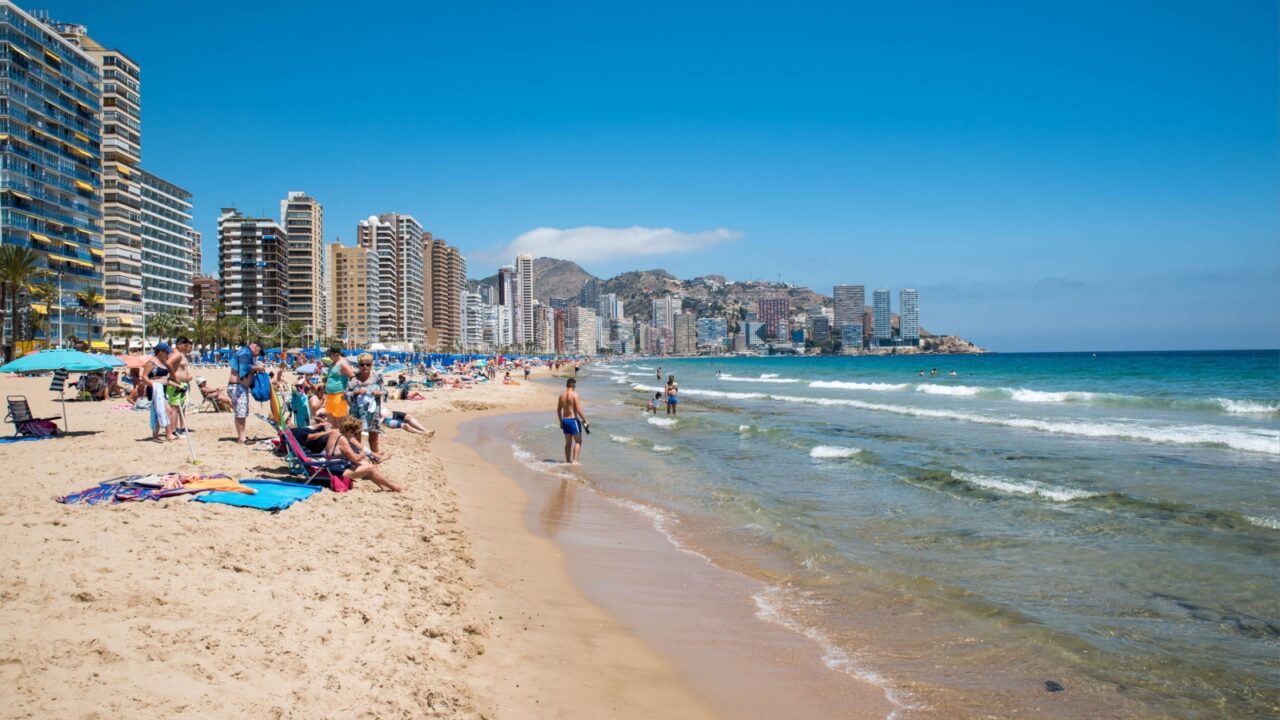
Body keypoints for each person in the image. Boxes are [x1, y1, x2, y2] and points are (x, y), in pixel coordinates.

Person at [331, 416, 403, 492]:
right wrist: (362, 455)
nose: (355, 435)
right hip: (336, 472)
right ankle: (394, 487)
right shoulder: (343, 440)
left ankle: (384, 486)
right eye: (355, 433)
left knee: (365, 464)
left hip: (332, 467)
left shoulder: (336, 433)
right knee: (370, 468)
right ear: (349, 431)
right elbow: (355, 458)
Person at [347, 353, 386, 454]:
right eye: (362, 364)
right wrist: (356, 392)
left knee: (373, 440)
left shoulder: (377, 377)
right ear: (358, 365)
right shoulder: (354, 378)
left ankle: (375, 463)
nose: (365, 366)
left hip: (373, 414)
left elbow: (385, 392)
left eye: (368, 364)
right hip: (356, 413)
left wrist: (379, 393)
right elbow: (344, 394)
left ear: (371, 364)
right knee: (356, 439)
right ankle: (358, 463)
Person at [227, 340, 264, 444]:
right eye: (259, 352)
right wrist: (258, 368)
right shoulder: (245, 352)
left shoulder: (245, 353)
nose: (258, 355)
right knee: (241, 413)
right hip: (237, 386)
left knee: (240, 412)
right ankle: (241, 438)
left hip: (238, 387)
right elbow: (244, 367)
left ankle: (241, 436)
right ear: (255, 346)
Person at [146, 344, 176, 443]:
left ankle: (155, 436)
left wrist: (177, 385)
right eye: (166, 352)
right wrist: (153, 385)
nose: (168, 354)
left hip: (163, 388)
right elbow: (144, 377)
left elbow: (166, 378)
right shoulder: (151, 363)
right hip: (155, 390)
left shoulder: (164, 363)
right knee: (168, 410)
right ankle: (169, 434)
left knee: (158, 412)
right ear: (160, 352)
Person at [166, 336, 194, 436]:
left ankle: (178, 429)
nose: (187, 347)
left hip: (182, 383)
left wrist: (187, 376)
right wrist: (174, 376)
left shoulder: (180, 355)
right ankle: (173, 431)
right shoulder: (177, 355)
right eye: (185, 345)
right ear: (179, 345)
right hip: (176, 384)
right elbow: (168, 363)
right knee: (175, 408)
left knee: (180, 408)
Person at [557, 378, 587, 464]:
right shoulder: (574, 395)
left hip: (565, 420)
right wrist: (585, 420)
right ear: (573, 385)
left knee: (568, 443)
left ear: (567, 385)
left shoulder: (561, 395)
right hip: (573, 420)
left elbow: (558, 410)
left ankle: (567, 461)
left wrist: (560, 421)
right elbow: (578, 409)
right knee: (578, 441)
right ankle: (575, 461)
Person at [323, 345, 355, 421]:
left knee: (340, 422)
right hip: (329, 396)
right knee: (331, 422)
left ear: (336, 354)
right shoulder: (332, 364)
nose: (328, 356)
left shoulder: (343, 364)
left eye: (330, 354)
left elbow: (352, 377)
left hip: (339, 396)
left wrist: (347, 391)